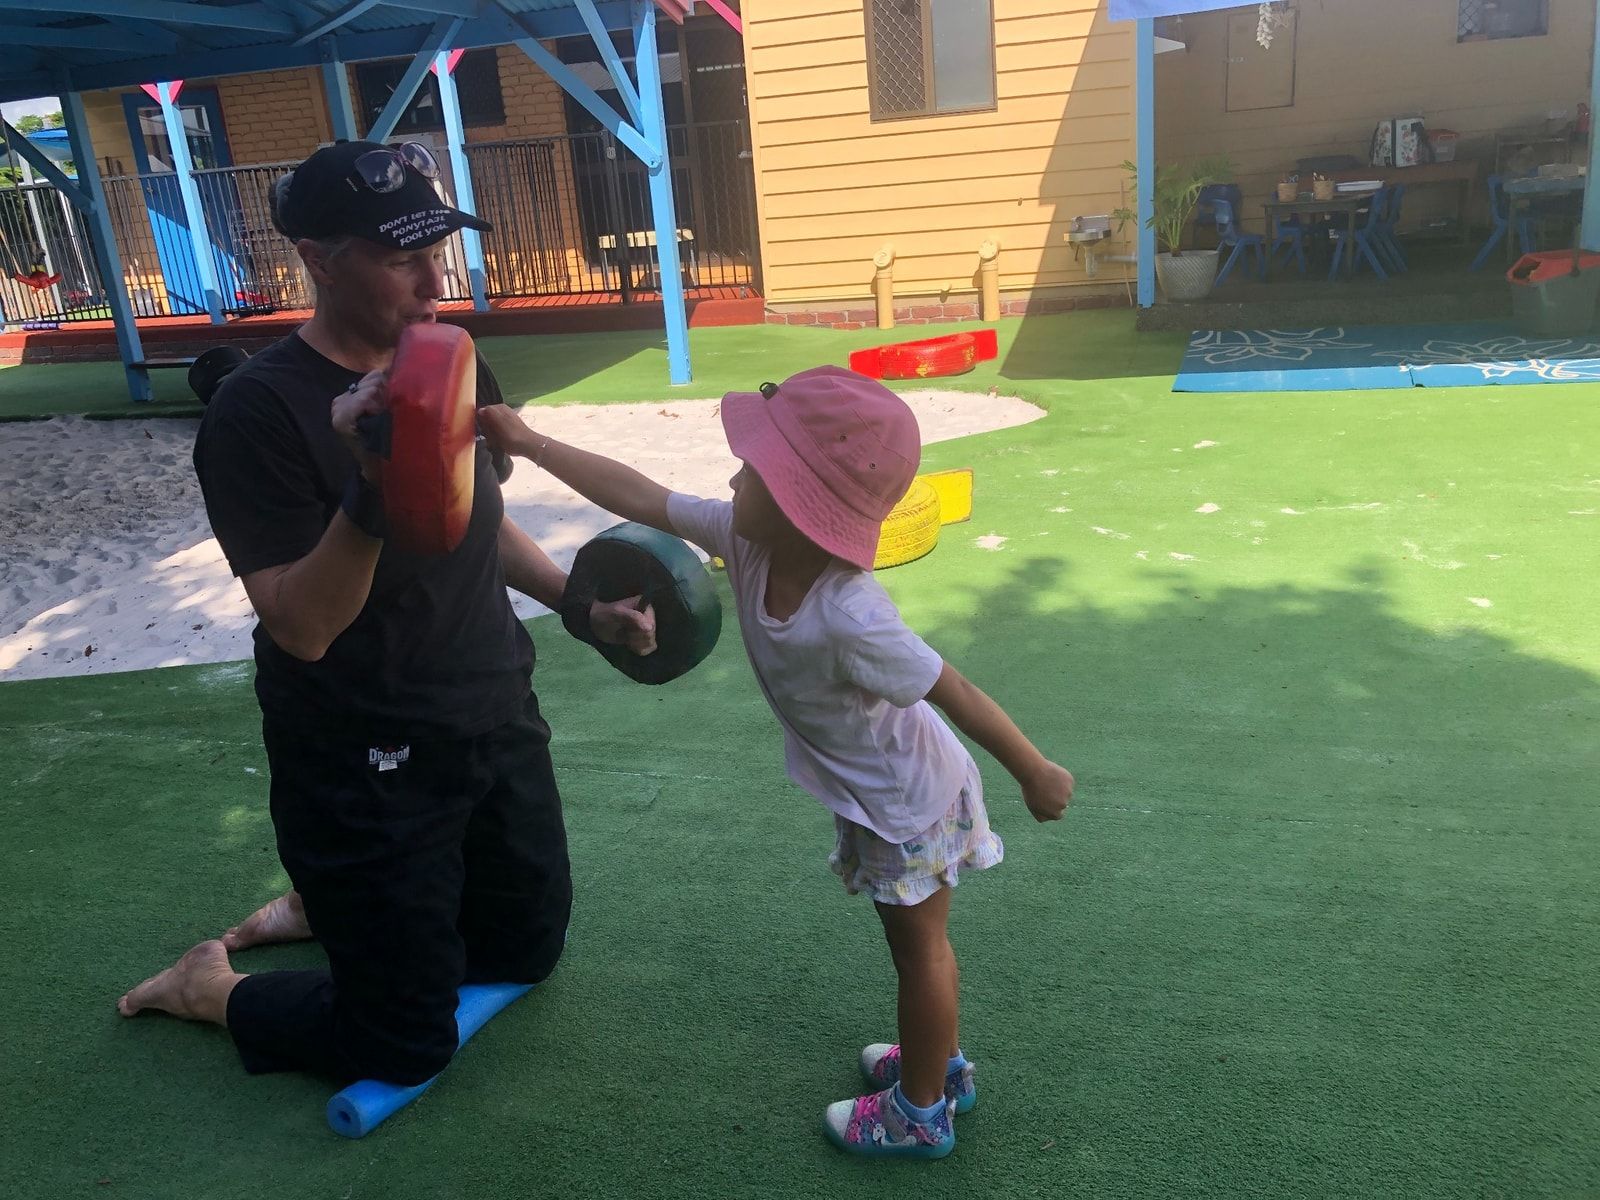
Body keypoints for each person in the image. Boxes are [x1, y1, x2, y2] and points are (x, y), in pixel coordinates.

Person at [116, 140, 656, 1087]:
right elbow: (302, 625)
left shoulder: (448, 360)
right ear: (321, 260)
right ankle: (214, 987)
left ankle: (328, 907)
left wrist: (577, 603)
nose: (433, 280)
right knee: (403, 1044)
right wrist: (373, 481)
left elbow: (480, 525)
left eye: (437, 250)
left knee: (522, 952)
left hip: (489, 711)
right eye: (403, 258)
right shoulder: (257, 412)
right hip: (359, 752)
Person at [478, 366, 1074, 1159]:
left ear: (801, 504)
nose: (733, 474)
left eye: (755, 468)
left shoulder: (852, 614)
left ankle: (922, 1111)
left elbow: (951, 688)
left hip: (910, 802)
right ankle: (941, 1066)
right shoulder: (748, 539)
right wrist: (531, 443)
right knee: (917, 950)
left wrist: (1032, 769)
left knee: (919, 950)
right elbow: (641, 496)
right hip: (875, 794)